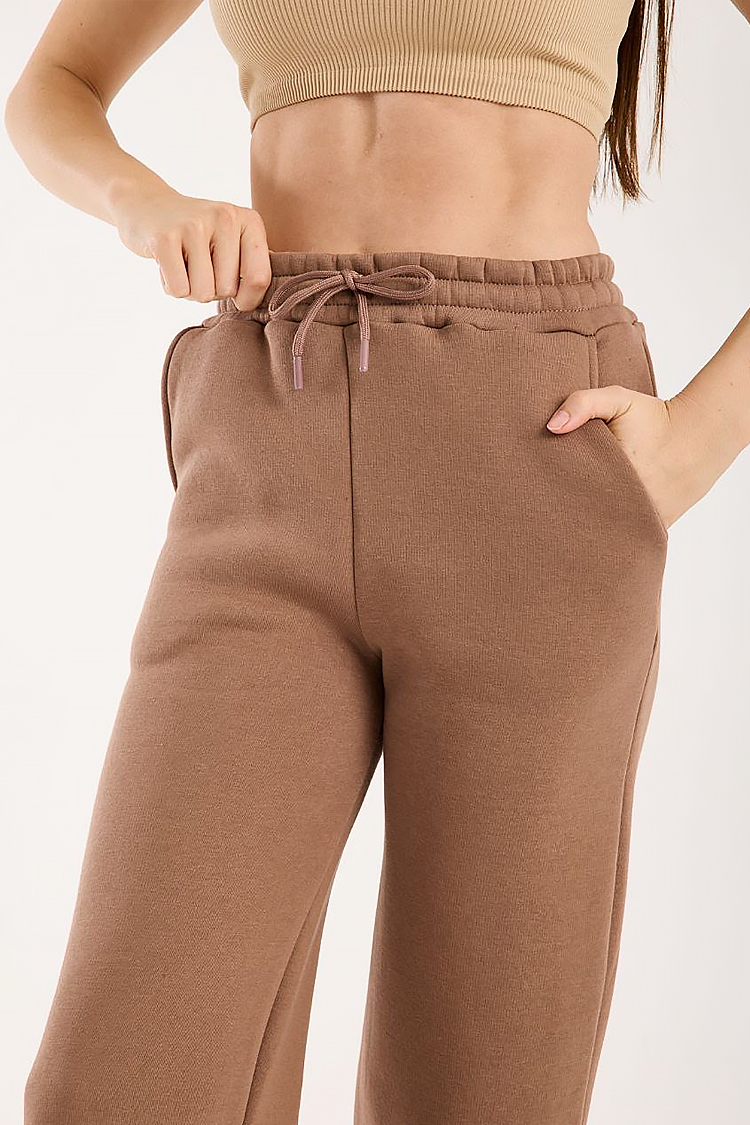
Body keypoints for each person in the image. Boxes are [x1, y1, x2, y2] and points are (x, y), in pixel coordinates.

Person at [5, 1, 749, 1123]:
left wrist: (700, 438)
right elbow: (55, 82)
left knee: (482, 1089)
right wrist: (141, 202)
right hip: (271, 430)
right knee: (119, 1083)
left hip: (534, 448)